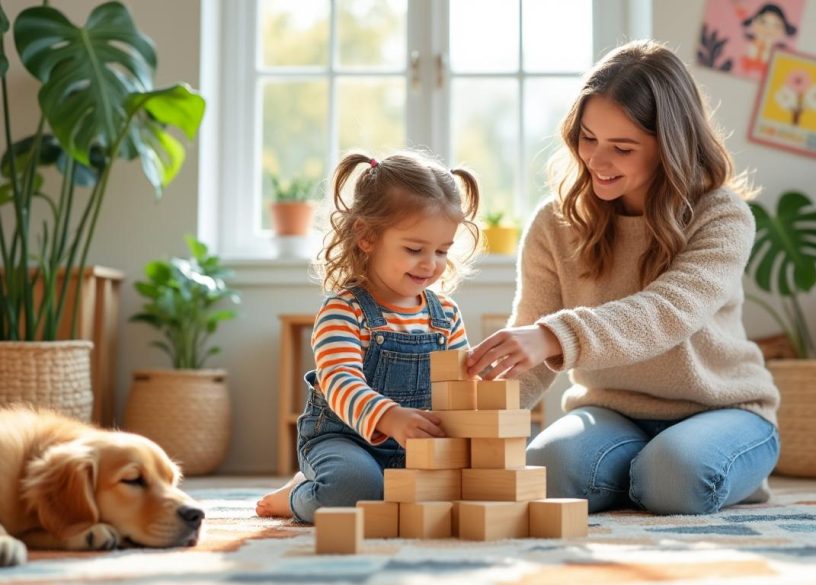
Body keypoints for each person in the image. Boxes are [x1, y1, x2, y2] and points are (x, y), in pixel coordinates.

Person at [465, 40, 780, 516]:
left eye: (623, 147)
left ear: (669, 146)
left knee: (675, 477)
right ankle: (648, 472)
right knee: (547, 470)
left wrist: (553, 335)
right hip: (613, 413)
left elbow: (668, 312)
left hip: (721, 409)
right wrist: (470, 417)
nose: (597, 160)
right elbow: (529, 349)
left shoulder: (721, 215)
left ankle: (698, 471)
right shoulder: (554, 223)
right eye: (588, 138)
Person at [256, 151, 481, 521]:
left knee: (471, 489)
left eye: (442, 251)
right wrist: (390, 418)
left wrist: (484, 394)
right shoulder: (344, 311)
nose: (431, 264)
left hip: (415, 448)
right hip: (344, 440)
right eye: (414, 249)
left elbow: (460, 387)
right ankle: (297, 494)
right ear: (366, 236)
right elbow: (340, 381)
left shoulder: (446, 315)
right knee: (353, 491)